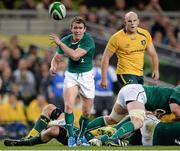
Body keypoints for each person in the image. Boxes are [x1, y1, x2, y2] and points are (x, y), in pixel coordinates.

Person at [49, 16, 95, 147]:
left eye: (80, 28)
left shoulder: (88, 40)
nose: (78, 30)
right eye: (75, 28)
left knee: (87, 111)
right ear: (71, 29)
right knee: (69, 106)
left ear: (84, 29)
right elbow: (57, 57)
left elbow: (75, 56)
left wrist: (60, 44)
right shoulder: (65, 40)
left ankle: (81, 137)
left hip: (86, 76)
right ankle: (71, 137)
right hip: (71, 75)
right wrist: (53, 65)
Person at [86, 84, 180, 144]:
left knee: (111, 119)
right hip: (137, 92)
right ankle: (113, 139)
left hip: (131, 91)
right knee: (138, 121)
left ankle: (80, 133)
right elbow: (175, 109)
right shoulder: (178, 90)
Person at [101, 11, 159, 89]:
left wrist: (156, 70)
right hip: (124, 73)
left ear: (138, 21)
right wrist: (104, 78)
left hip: (139, 74)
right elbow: (105, 57)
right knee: (134, 95)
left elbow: (153, 54)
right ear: (125, 23)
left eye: (134, 20)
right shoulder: (116, 38)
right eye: (129, 21)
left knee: (135, 98)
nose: (132, 23)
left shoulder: (145, 34)